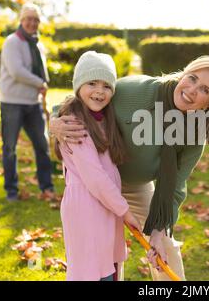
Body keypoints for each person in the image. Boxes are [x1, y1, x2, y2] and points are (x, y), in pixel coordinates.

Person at [50, 55, 209, 280]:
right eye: (192, 78)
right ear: (183, 74)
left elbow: (175, 185)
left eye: (205, 90)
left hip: (135, 184)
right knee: (105, 248)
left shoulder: (195, 133)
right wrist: (54, 122)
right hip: (97, 178)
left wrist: (157, 231)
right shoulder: (135, 91)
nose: (192, 90)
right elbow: (82, 98)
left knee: (165, 247)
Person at [55, 51, 141, 281]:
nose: (99, 91)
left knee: (109, 267)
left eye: (106, 86)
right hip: (87, 208)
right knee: (91, 270)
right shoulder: (74, 125)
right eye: (92, 83)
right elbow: (95, 177)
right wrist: (125, 211)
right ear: (78, 85)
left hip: (104, 205)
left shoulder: (103, 119)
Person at [0, 3, 54, 202]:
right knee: (10, 147)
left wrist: (42, 86)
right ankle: (11, 191)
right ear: (21, 21)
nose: (32, 23)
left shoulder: (38, 44)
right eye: (28, 18)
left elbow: (40, 71)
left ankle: (47, 186)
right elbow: (17, 71)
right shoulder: (12, 42)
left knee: (42, 145)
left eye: (35, 19)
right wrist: (40, 82)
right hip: (12, 102)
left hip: (33, 102)